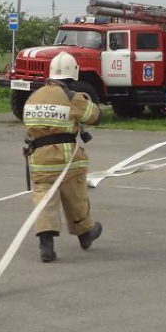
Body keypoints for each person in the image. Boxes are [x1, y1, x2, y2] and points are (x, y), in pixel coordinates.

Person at [23, 51, 103, 263]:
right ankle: (86, 233)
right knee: (76, 196)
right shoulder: (72, 97)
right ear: (72, 76)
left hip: (39, 159)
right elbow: (94, 116)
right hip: (67, 160)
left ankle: (46, 245)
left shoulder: (33, 97)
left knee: (44, 199)